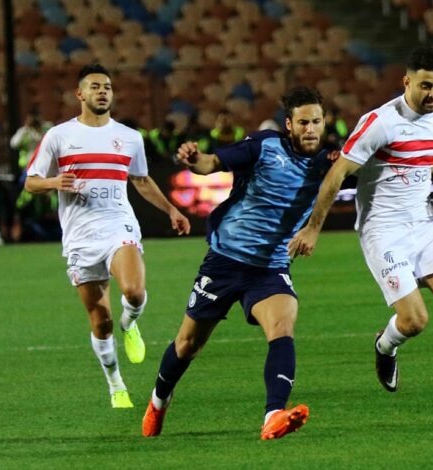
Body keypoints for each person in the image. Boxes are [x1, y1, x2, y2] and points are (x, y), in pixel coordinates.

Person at [288, 45, 433, 421]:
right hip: (382, 231)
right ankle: (385, 346)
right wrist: (312, 228)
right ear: (407, 82)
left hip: (424, 223)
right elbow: (337, 174)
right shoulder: (380, 123)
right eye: (425, 86)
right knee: (415, 321)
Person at [141, 86, 336, 441]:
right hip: (225, 261)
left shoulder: (330, 162)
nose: (311, 129)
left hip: (271, 267)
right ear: (289, 124)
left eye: (316, 122)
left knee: (282, 326)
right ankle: (158, 402)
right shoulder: (263, 146)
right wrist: (194, 158)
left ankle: (273, 415)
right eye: (303, 122)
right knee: (187, 345)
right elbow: (211, 164)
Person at [24, 64, 191, 408]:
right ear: (80, 94)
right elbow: (30, 182)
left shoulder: (129, 137)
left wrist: (172, 210)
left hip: (118, 224)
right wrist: (54, 181)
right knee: (101, 323)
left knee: (134, 291)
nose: (103, 92)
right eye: (95, 86)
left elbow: (141, 180)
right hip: (80, 236)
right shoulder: (59, 135)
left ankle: (130, 323)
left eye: (108, 87)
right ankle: (116, 384)